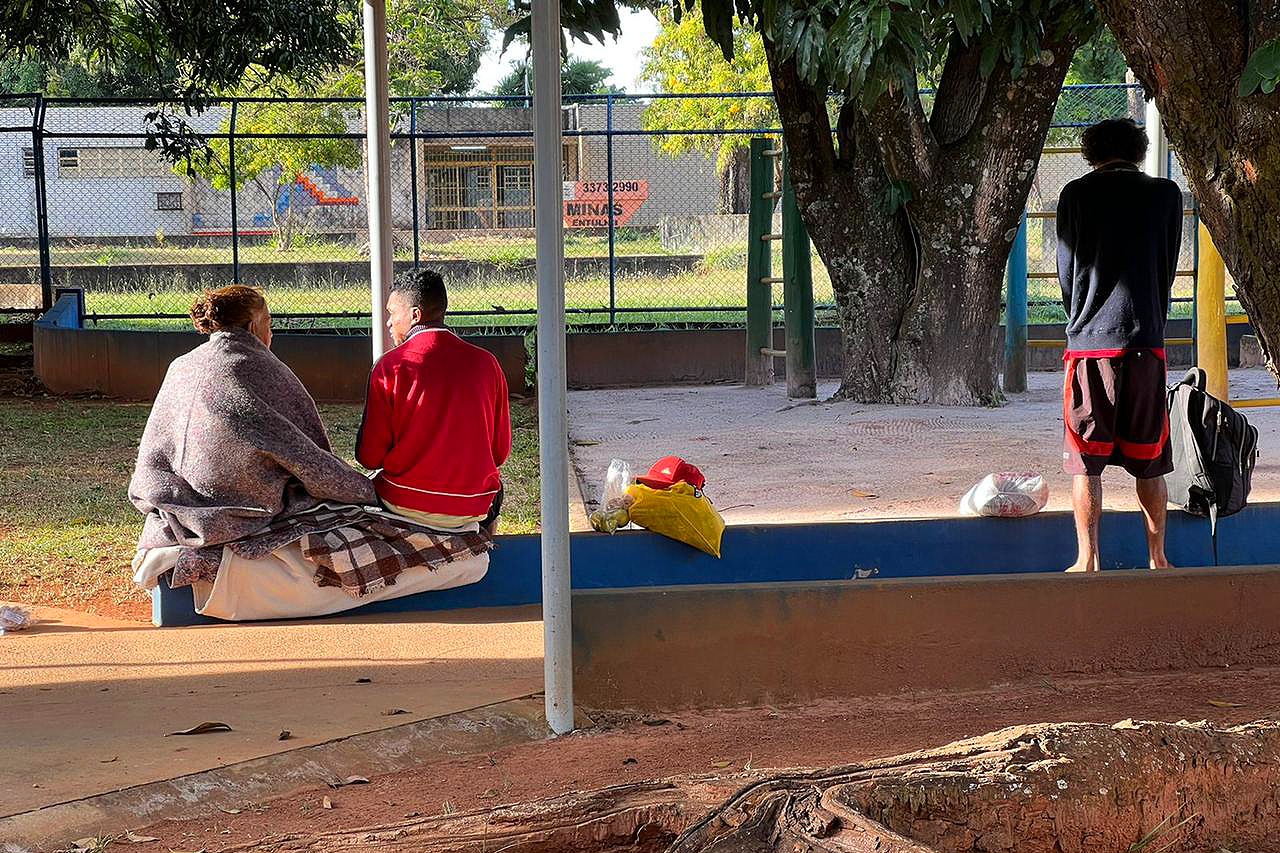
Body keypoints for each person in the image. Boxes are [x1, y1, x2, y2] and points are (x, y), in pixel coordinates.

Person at [130, 285, 377, 551]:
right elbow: (305, 454)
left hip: (175, 496)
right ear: (252, 326)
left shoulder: (180, 365)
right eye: (269, 322)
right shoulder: (259, 367)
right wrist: (362, 489)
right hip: (239, 505)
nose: (272, 332)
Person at [1056, 118, 1184, 572]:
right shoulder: (1168, 195)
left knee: (1086, 462)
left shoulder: (1075, 194)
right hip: (1146, 342)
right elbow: (1166, 267)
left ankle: (1087, 559)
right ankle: (1158, 558)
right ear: (1139, 150)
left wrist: (1083, 317)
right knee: (1151, 459)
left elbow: (1067, 272)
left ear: (1092, 153)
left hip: (1090, 344)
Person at [356, 269, 511, 534]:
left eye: (393, 313)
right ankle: (485, 555)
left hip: (402, 503)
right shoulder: (488, 364)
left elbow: (369, 457)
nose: (389, 323)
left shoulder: (390, 367)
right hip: (474, 505)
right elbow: (500, 452)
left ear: (415, 315)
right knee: (498, 489)